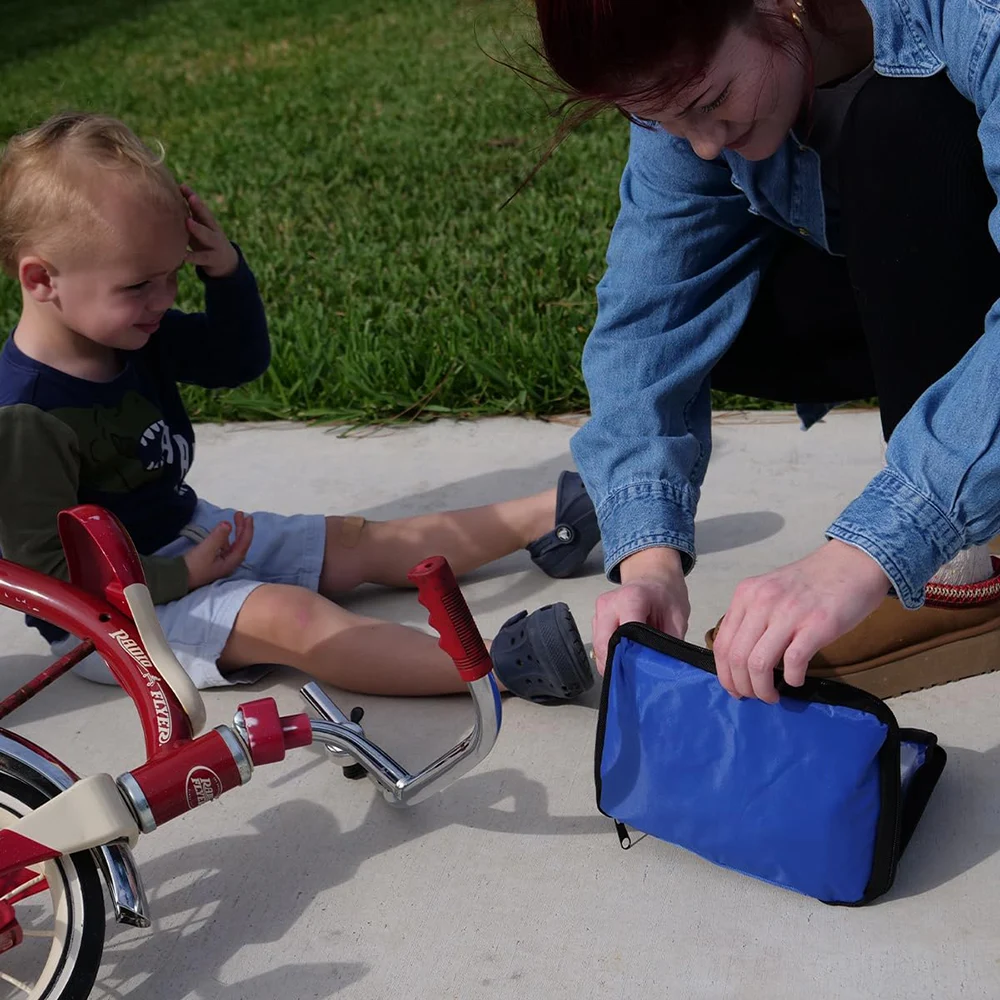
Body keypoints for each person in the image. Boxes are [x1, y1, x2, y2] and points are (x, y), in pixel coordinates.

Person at [0, 111, 599, 702]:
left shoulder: (129, 331)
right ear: (41, 280)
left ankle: (551, 516)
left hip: (193, 538)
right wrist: (182, 577)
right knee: (291, 619)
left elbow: (237, 360)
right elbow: (49, 572)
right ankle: (496, 667)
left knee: (355, 540)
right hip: (115, 623)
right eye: (139, 284)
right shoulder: (28, 417)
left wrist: (226, 272)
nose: (164, 299)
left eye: (174, 275)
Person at [531, 0, 1000, 702]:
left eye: (712, 102)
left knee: (903, 128)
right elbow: (651, 310)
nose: (703, 144)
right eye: (662, 121)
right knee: (709, 302)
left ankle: (970, 564)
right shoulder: (695, 78)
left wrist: (871, 548)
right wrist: (649, 562)